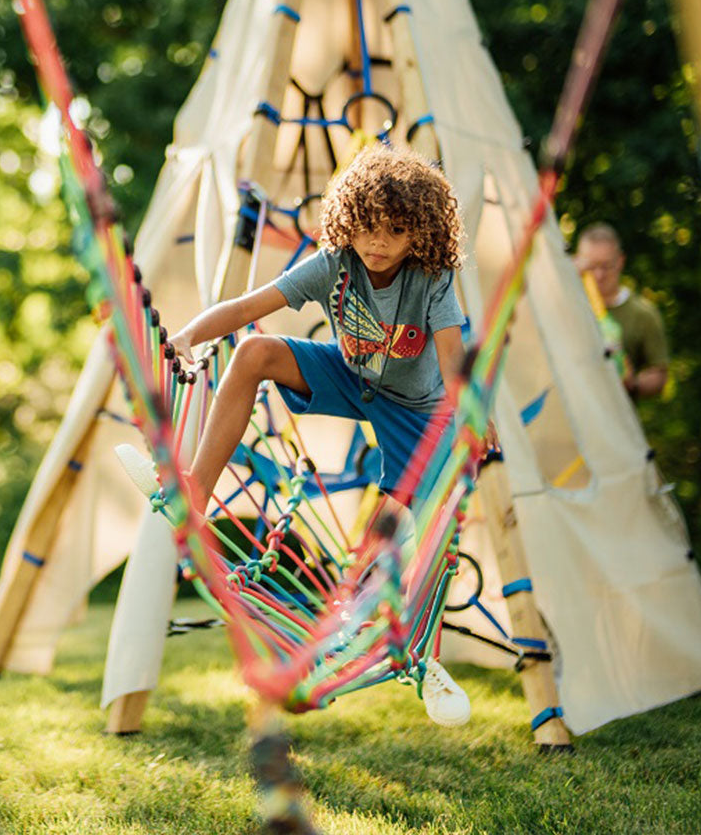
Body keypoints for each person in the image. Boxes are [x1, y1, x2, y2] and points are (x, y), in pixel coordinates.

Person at [118, 146, 483, 727]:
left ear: (422, 232)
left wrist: (468, 421)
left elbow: (451, 354)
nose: (378, 242)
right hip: (351, 377)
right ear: (347, 222)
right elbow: (249, 306)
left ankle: (411, 643)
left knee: (426, 521)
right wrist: (185, 338)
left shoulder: (431, 278)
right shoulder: (333, 263)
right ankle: (196, 489)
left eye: (395, 230)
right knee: (255, 350)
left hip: (416, 406)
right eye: (367, 227)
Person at [574, 222, 668, 401]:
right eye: (591, 267)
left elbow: (659, 373)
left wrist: (634, 384)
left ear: (620, 262)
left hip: (615, 419)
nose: (599, 275)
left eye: (606, 266)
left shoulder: (643, 314)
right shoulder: (565, 303)